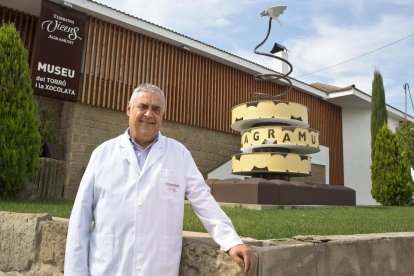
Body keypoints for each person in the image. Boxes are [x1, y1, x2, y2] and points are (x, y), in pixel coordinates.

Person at [64, 83, 257, 275]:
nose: (149, 114)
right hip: (108, 268)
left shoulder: (179, 154)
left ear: (162, 115)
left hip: (157, 269)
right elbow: (80, 218)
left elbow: (203, 200)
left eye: (156, 109)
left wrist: (231, 241)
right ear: (128, 109)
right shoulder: (103, 154)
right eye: (143, 107)